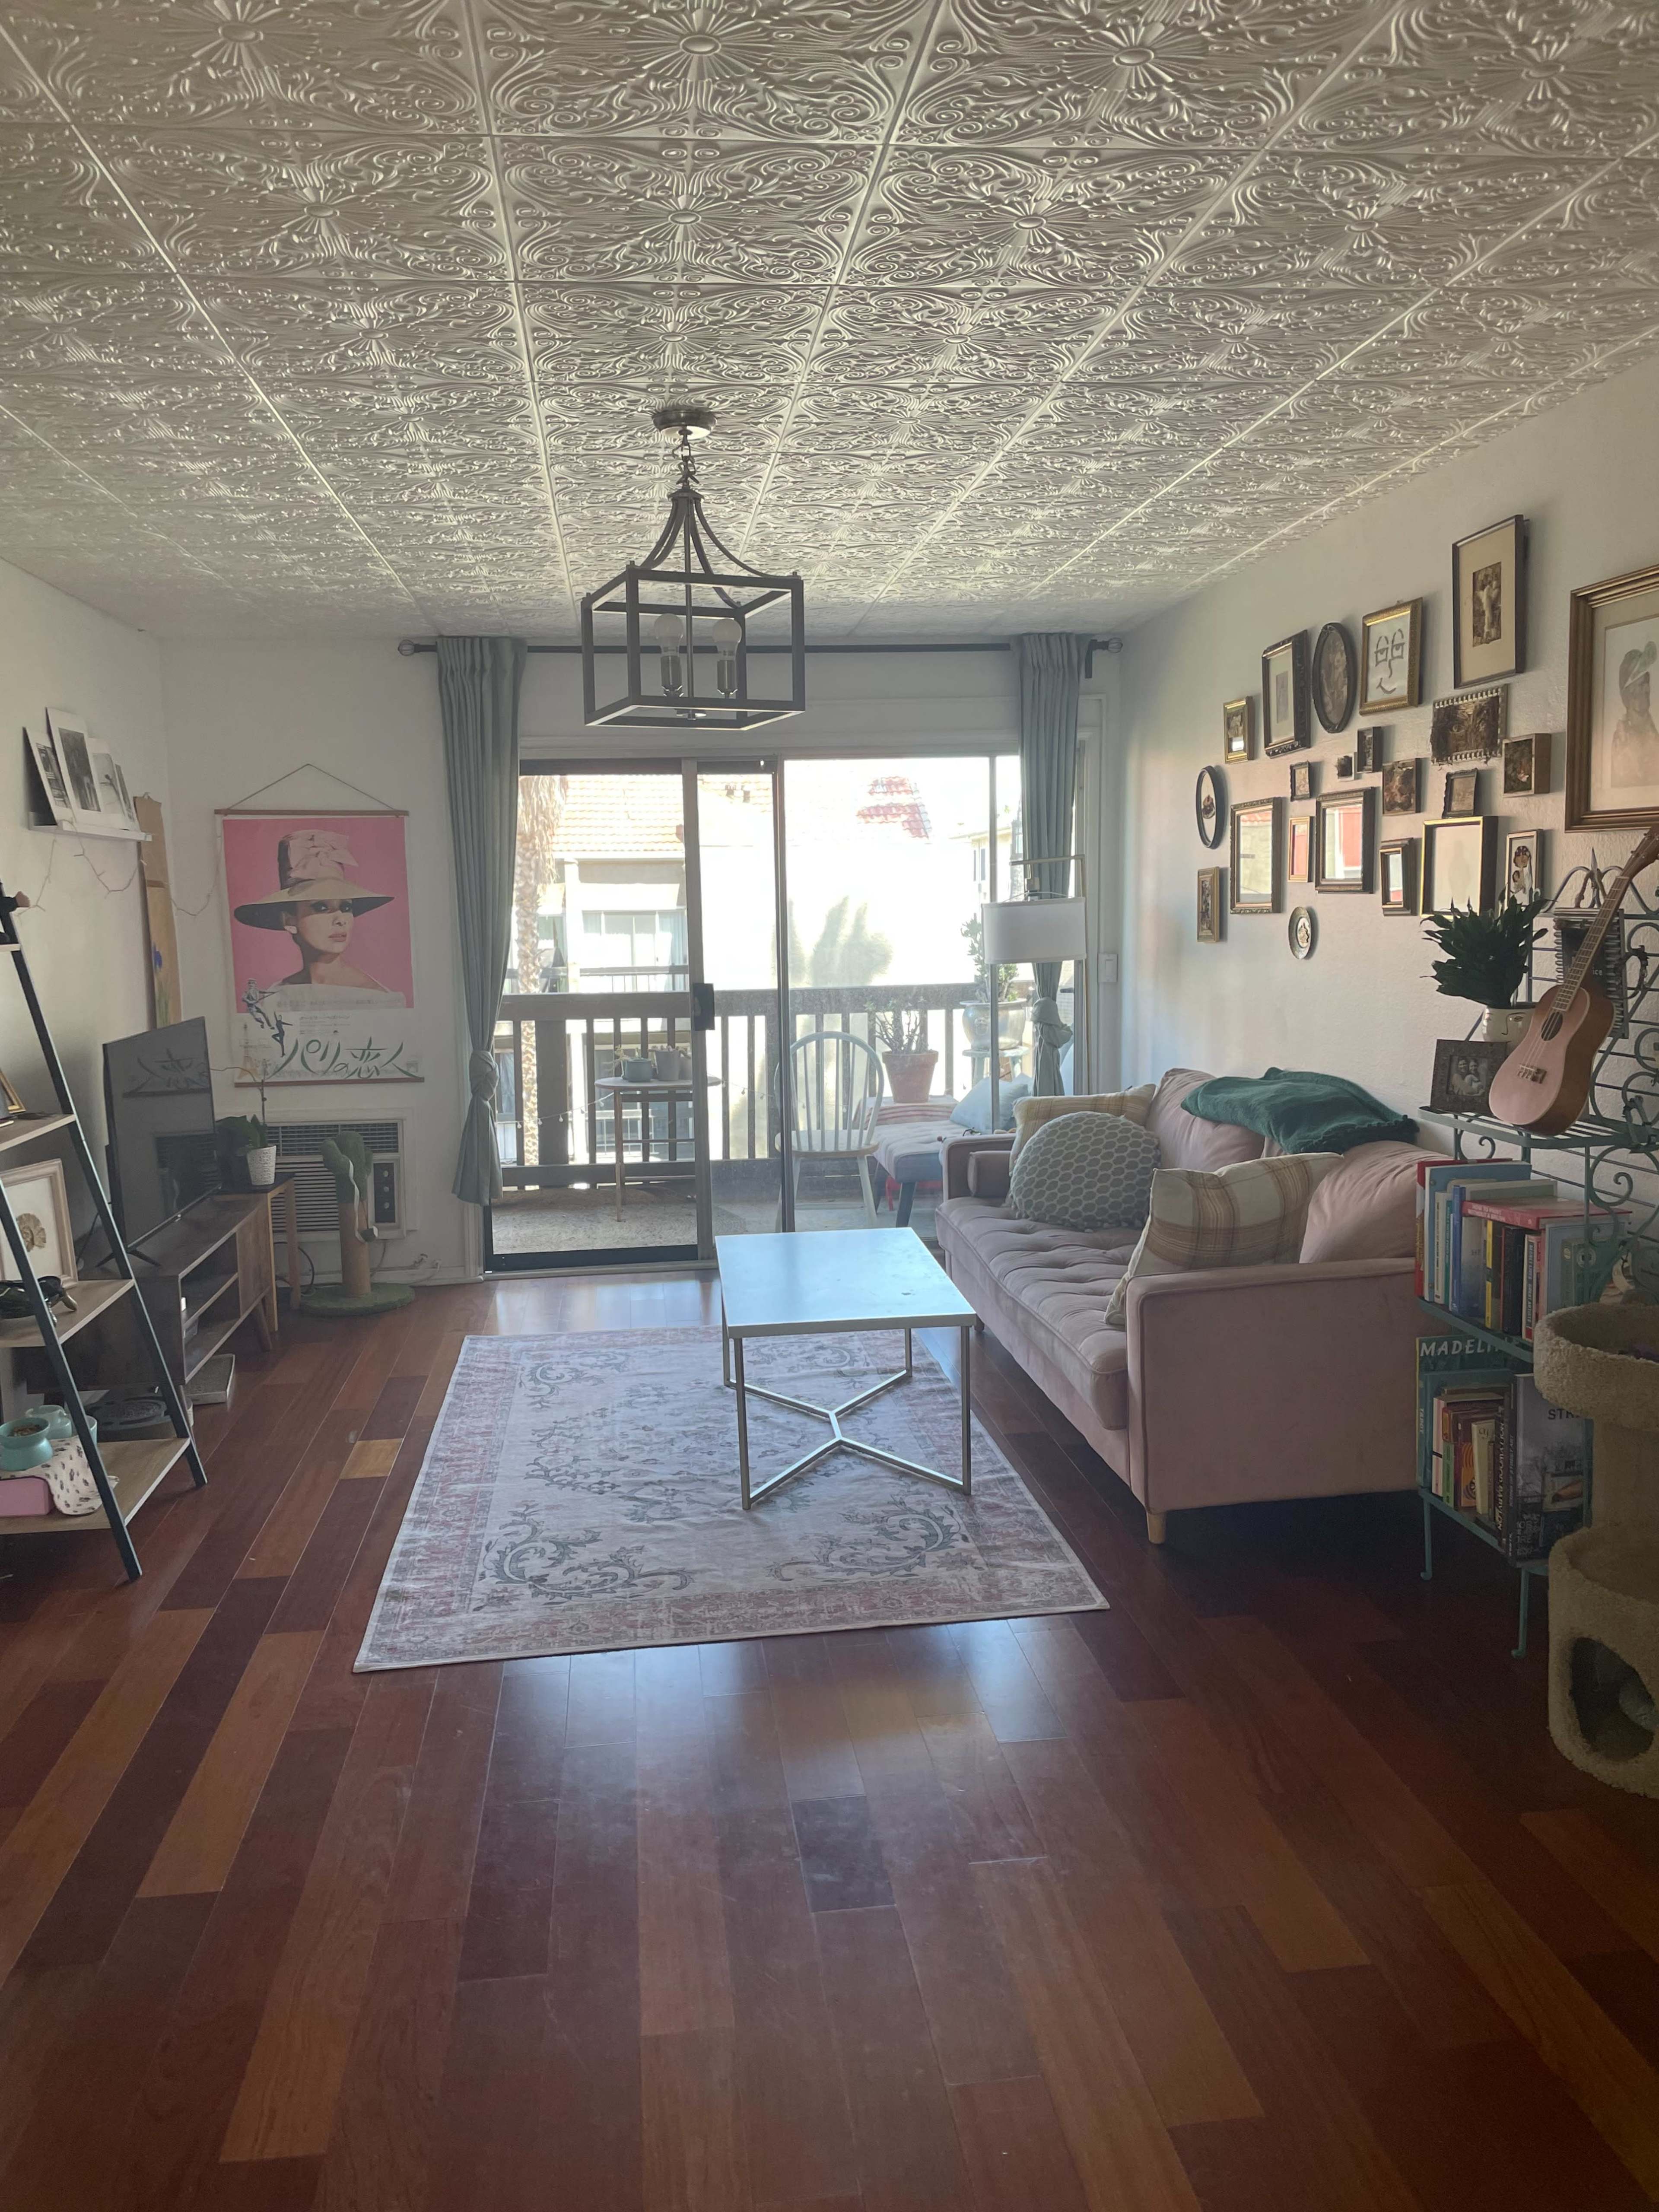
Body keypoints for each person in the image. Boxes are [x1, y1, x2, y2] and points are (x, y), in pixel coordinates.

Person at [233, 830, 397, 993]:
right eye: (322, 907)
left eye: (346, 908)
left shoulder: (375, 996)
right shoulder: (274, 996)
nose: (341, 920)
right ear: (290, 922)